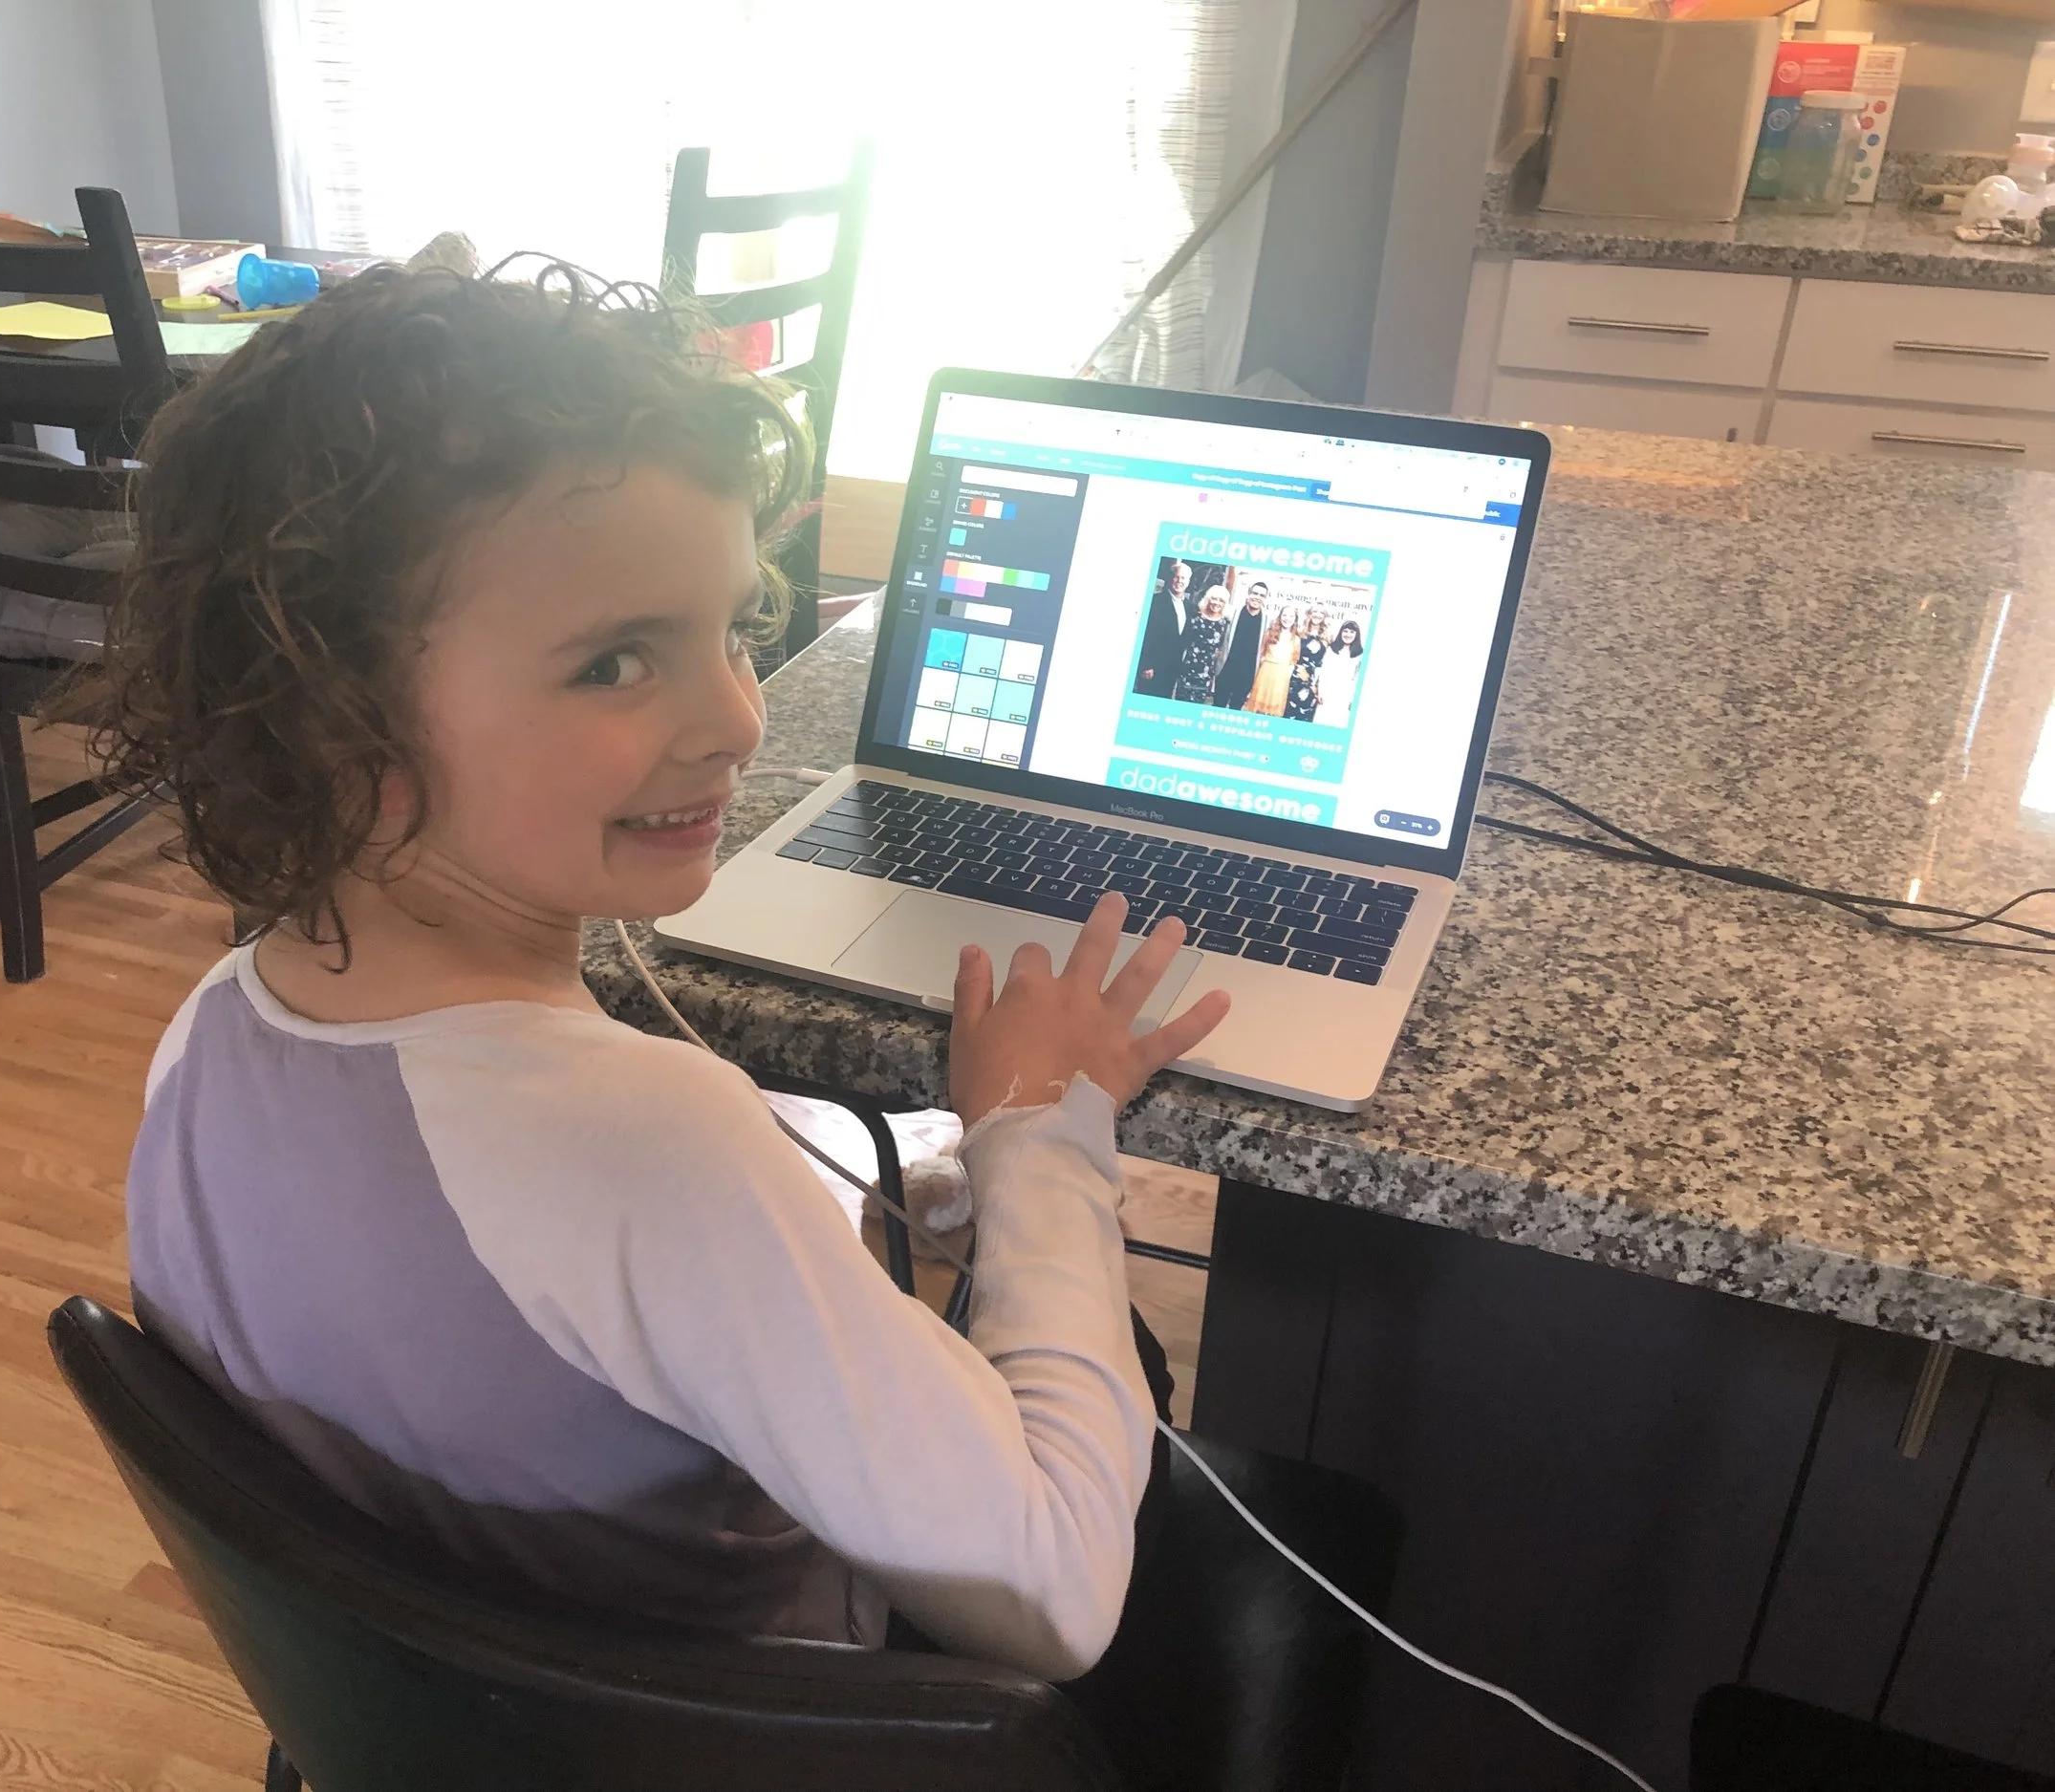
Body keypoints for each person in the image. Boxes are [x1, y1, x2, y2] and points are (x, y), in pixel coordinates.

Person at [85, 262, 1379, 1791]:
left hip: (466, 1735)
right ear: (332, 722)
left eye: (735, 624)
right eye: (616, 660)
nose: (739, 717)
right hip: (758, 1747)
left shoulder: (204, 1041)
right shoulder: (646, 1144)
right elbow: (1049, 1596)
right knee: (1180, 1413)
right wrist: (1041, 1128)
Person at [1210, 574, 1269, 711]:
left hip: (1247, 674)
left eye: (1261, 595)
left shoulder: (1267, 620)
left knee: (1236, 708)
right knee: (1218, 706)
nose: (1257, 597)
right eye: (1255, 593)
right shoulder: (1232, 613)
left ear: (1265, 599)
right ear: (1248, 594)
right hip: (1226, 669)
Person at [1134, 557, 1192, 695]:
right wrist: (1146, 664)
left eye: (1183, 578)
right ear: (1171, 579)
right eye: (1177, 577)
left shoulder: (1189, 607)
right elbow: (1147, 634)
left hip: (1172, 668)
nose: (1180, 581)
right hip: (1152, 668)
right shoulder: (1156, 601)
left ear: (1188, 582)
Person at [1171, 583, 1232, 704]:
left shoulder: (1225, 624)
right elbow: (1183, 642)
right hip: (1187, 669)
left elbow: (1221, 650)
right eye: (1214, 598)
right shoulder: (1195, 616)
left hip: (1205, 674)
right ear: (1208, 599)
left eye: (1221, 601)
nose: (1216, 603)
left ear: (1225, 604)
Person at [1246, 601, 1300, 717]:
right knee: (1258, 709)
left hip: (1281, 678)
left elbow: (1294, 661)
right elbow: (1261, 653)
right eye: (1284, 615)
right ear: (1280, 617)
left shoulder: (1296, 639)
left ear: (1295, 620)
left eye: (1291, 616)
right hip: (1265, 673)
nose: (1287, 619)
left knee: (1274, 710)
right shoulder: (1269, 634)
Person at [1314, 618, 1365, 728]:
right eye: (1345, 631)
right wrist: (1321, 692)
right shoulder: (1331, 649)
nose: (1348, 634)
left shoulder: (1360, 654)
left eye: (1352, 632)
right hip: (1327, 693)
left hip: (1345, 696)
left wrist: (1353, 699)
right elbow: (1324, 671)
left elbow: (1357, 678)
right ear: (1341, 632)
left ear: (1357, 635)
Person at [1284, 607, 1329, 723]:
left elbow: (1324, 663)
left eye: (1321, 612)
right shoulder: (1300, 632)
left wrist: (1315, 684)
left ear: (1324, 617)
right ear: (1309, 614)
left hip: (1313, 680)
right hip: (1296, 677)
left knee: (1305, 715)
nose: (1317, 615)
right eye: (1315, 611)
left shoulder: (1327, 637)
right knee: (1289, 712)